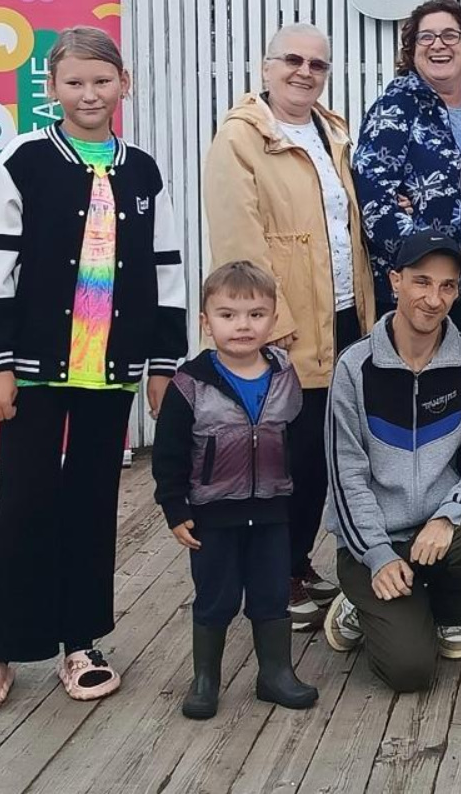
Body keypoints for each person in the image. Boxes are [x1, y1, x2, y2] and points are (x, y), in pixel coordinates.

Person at [0, 26, 187, 713]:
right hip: (31, 371)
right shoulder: (25, 160)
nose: (90, 94)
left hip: (108, 374)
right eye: (75, 82)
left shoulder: (143, 170)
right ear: (51, 89)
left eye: (102, 80)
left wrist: (162, 364)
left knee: (91, 505)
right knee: (20, 504)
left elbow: (165, 270)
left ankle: (80, 643)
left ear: (124, 85)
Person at [203, 22, 377, 631]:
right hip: (286, 327)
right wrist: (267, 326)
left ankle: (296, 562)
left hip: (343, 317)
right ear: (266, 67)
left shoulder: (333, 132)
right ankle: (273, 580)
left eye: (317, 64)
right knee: (283, 459)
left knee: (320, 454)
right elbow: (239, 244)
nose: (304, 72)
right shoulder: (240, 139)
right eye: (292, 61)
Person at [318, 231, 461, 692]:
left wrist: (448, 516)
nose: (433, 299)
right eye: (422, 282)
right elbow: (346, 478)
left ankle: (444, 613)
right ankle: (359, 603)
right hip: (371, 543)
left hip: (436, 534)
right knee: (410, 671)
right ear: (395, 282)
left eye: (447, 286)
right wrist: (377, 555)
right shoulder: (354, 367)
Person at [152, 262, 318, 719]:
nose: (243, 326)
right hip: (213, 516)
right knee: (216, 596)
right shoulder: (189, 384)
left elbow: (298, 440)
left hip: (271, 512)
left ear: (273, 319)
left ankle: (275, 673)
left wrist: (296, 498)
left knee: (271, 594)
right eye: (228, 315)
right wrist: (174, 507)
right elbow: (169, 453)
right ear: (206, 322)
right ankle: (206, 679)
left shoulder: (284, 375)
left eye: (255, 314)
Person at [353, 0, 461, 341]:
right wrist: (431, 273)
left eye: (450, 35)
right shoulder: (394, 110)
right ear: (412, 53)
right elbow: (374, 202)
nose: (438, 44)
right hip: (413, 295)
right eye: (425, 37)